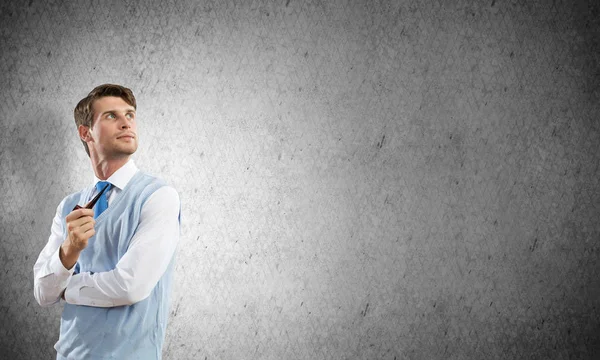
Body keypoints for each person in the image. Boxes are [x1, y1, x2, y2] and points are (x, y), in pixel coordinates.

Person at [33, 84, 180, 359]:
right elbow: (42, 292)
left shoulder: (158, 197)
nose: (126, 122)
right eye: (112, 116)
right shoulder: (67, 206)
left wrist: (66, 287)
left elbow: (130, 285)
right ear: (85, 132)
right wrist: (69, 251)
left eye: (130, 114)